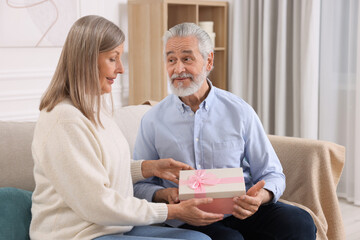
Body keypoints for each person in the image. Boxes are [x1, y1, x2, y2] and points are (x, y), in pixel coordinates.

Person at [30, 16, 224, 240]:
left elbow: (98, 168)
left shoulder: (93, 108)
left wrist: (148, 168)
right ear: (86, 60)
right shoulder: (64, 121)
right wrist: (171, 211)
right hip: (78, 234)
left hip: (112, 228)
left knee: (198, 238)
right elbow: (98, 204)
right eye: (113, 59)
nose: (121, 69)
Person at [133, 22, 317, 240]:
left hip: (240, 209)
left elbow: (272, 173)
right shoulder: (153, 120)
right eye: (171, 59)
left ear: (208, 60)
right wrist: (163, 194)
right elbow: (138, 185)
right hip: (188, 217)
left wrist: (260, 197)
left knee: (300, 222)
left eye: (187, 59)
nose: (178, 69)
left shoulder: (239, 111)